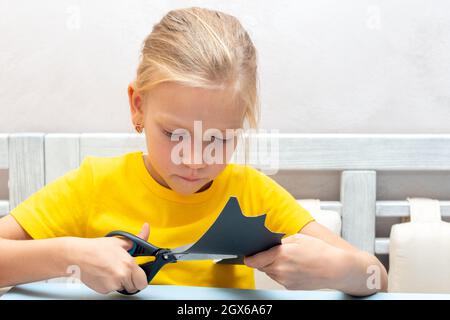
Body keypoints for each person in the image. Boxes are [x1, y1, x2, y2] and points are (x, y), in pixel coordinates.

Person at [0, 7, 387, 295]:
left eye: (218, 139)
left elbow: (377, 277)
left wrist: (341, 271)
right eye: (174, 134)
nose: (196, 160)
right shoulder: (94, 185)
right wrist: (68, 255)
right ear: (137, 107)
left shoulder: (252, 192)